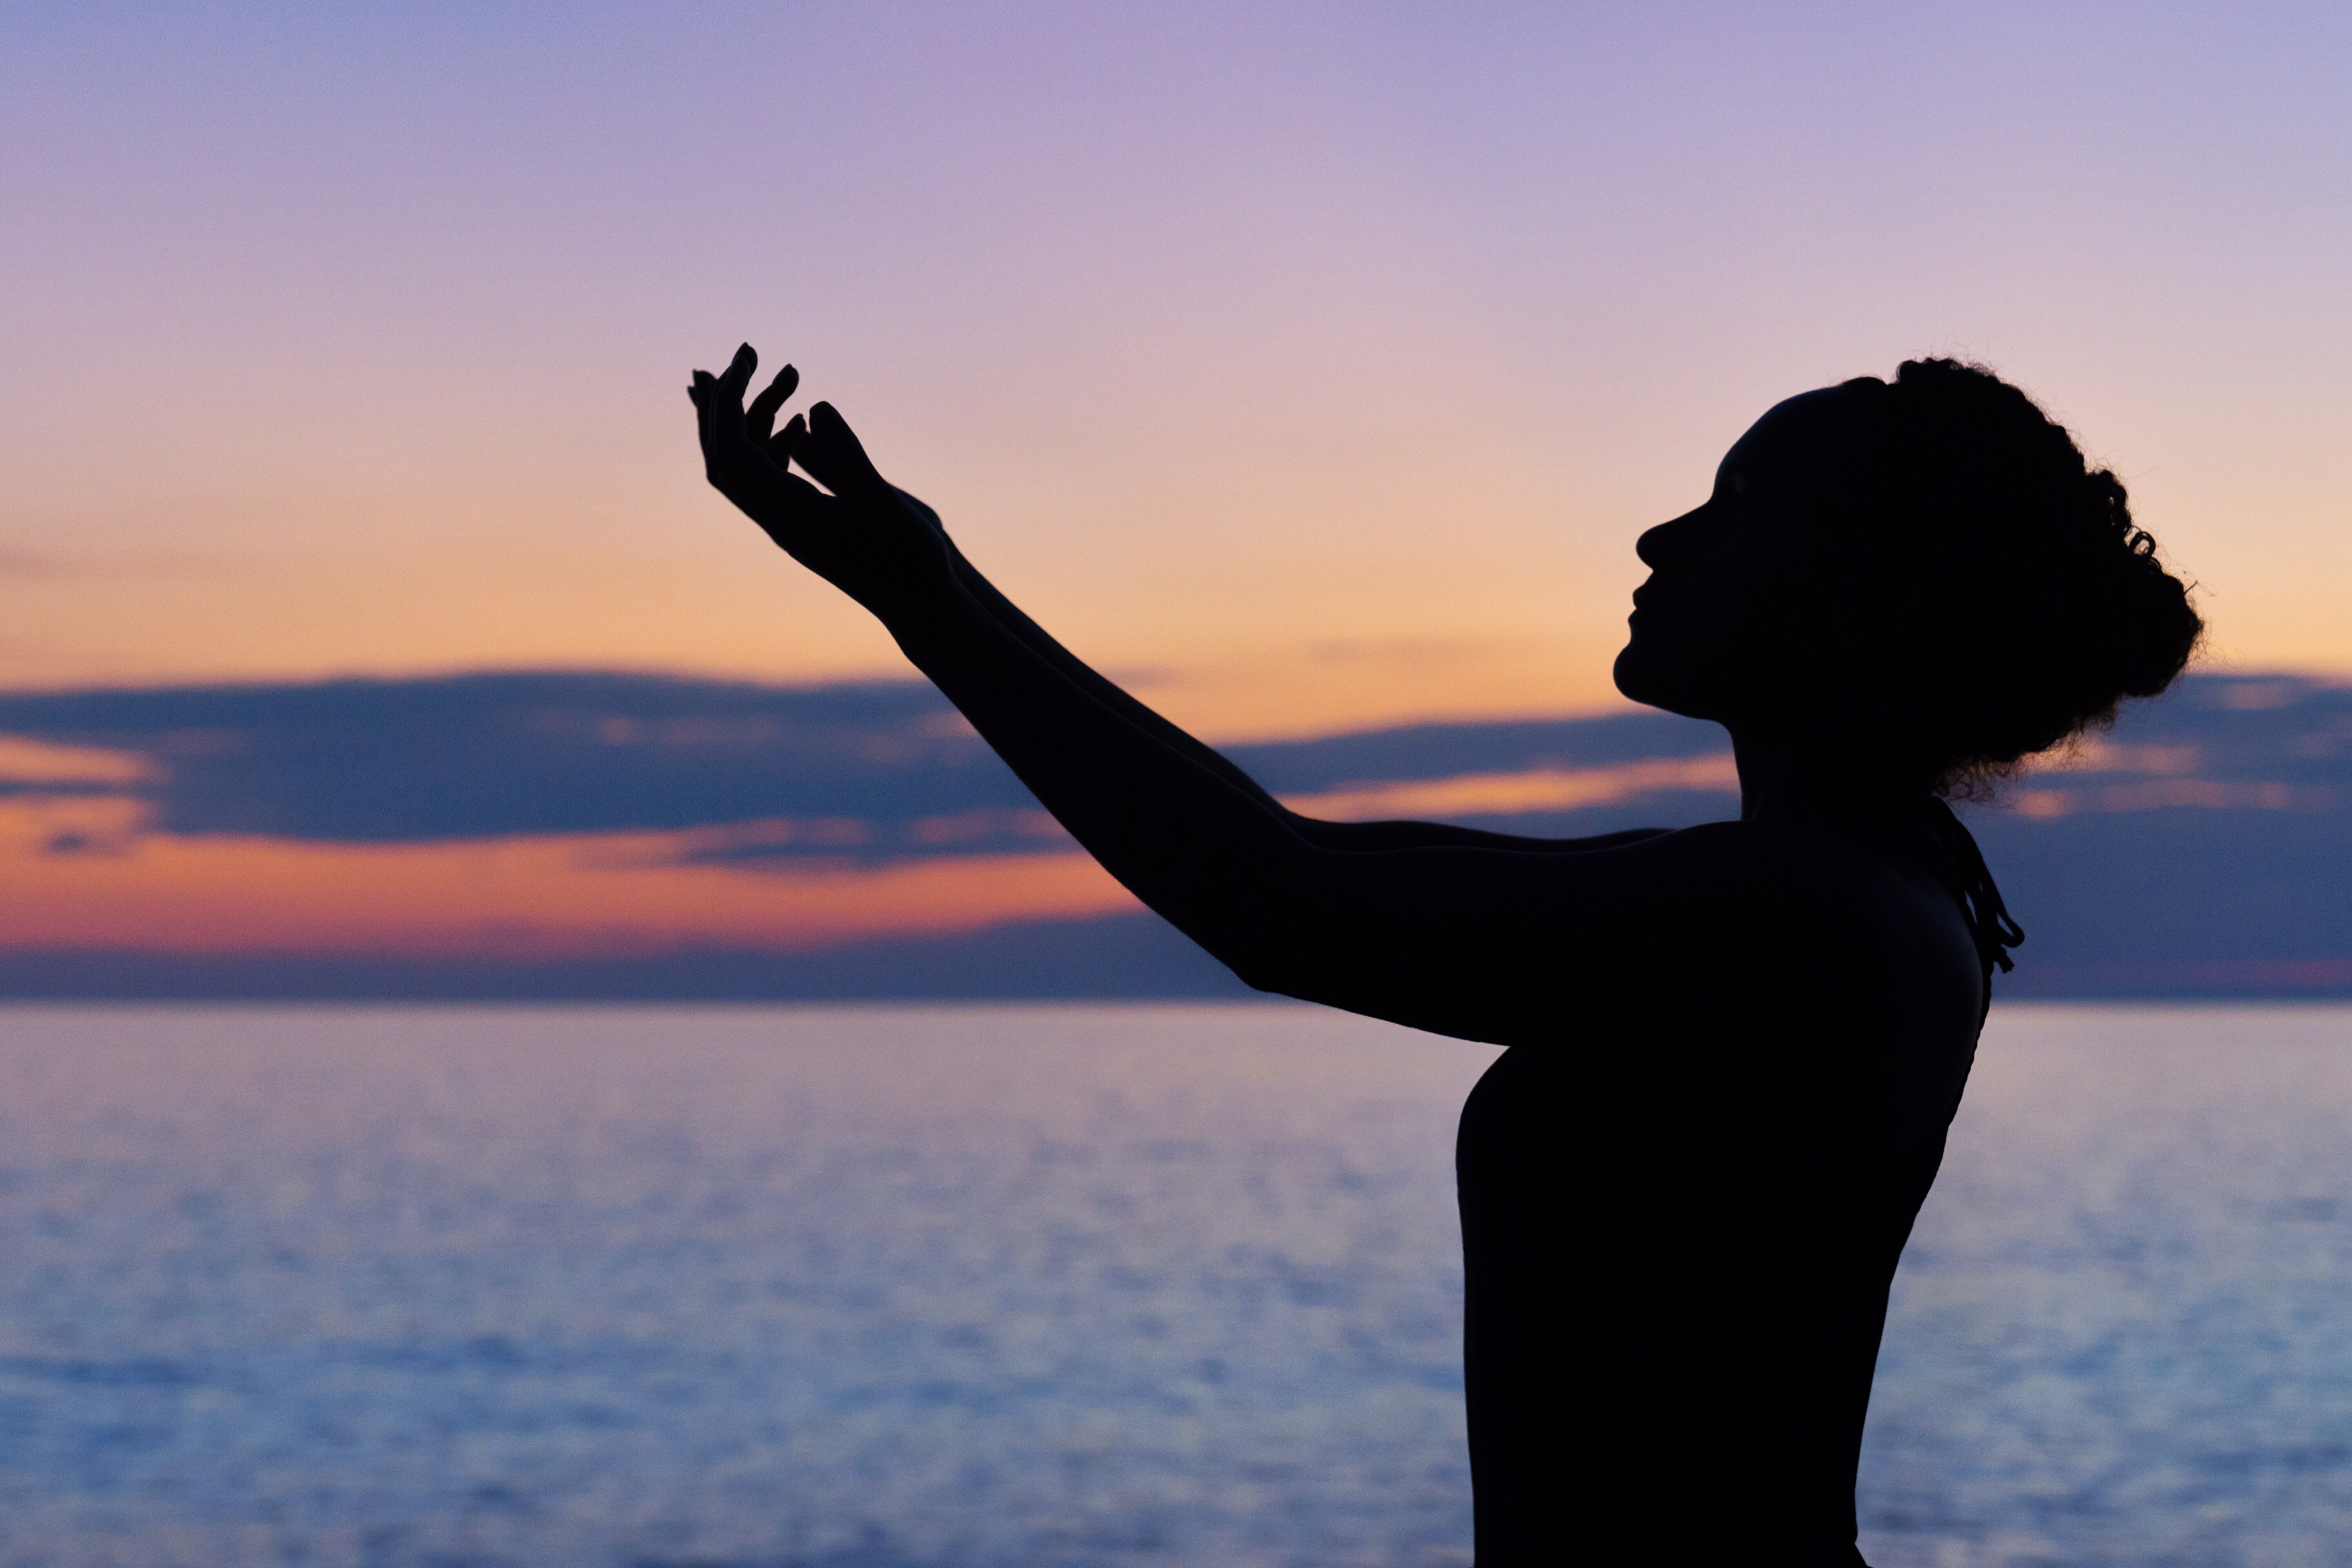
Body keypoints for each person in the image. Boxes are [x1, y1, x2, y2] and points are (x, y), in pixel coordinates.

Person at [687, 347, 2202, 1565]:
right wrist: (936, 584)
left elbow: (1274, 907)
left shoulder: (1796, 917)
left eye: (1731, 511)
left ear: (1847, 587)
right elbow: (1296, 849)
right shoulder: (1837, 885)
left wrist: (919, 606)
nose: (1661, 536)